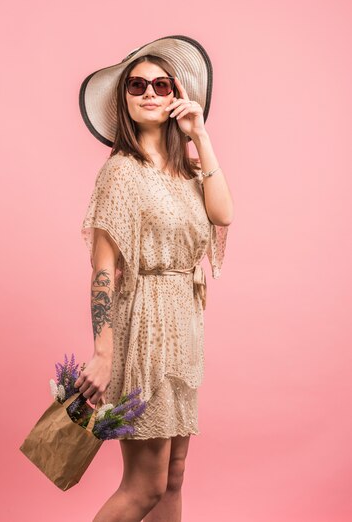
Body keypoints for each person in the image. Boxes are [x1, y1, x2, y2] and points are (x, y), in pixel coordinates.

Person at [76, 35, 234, 521]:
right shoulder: (121, 173)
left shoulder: (189, 169)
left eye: (161, 84)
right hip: (143, 327)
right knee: (143, 485)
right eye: (137, 85)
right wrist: (104, 354)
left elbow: (223, 213)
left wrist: (199, 135)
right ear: (124, 100)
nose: (149, 92)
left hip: (184, 324)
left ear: (176, 95)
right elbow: (103, 271)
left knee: (174, 477)